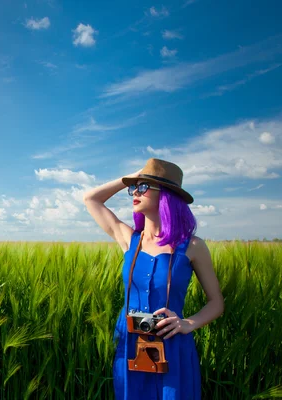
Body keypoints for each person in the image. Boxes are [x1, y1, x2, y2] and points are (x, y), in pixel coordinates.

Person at [82, 158, 224, 400]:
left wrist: (188, 323)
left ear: (166, 195)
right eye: (134, 188)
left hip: (172, 345)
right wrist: (134, 176)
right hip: (130, 345)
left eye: (144, 187)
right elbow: (91, 199)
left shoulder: (193, 246)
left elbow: (216, 303)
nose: (135, 192)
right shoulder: (129, 239)